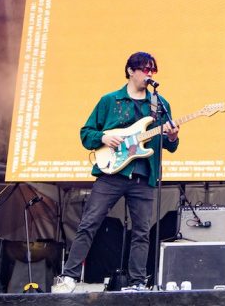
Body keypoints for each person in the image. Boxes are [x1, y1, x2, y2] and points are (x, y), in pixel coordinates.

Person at [52, 52, 180, 293]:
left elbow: (170, 146)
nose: (149, 74)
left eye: (153, 70)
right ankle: (68, 277)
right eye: (144, 69)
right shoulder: (110, 101)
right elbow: (86, 133)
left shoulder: (159, 105)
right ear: (131, 71)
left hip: (143, 177)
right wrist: (103, 136)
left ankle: (137, 282)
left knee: (142, 232)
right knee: (89, 223)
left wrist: (172, 136)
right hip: (111, 174)